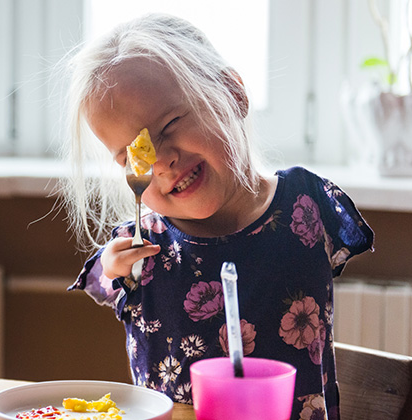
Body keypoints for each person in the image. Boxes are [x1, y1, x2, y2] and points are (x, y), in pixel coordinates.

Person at [58, 13, 374, 420]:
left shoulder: (308, 207)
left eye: (171, 123)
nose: (161, 162)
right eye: (133, 155)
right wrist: (111, 264)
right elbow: (105, 279)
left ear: (233, 93)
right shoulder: (144, 245)